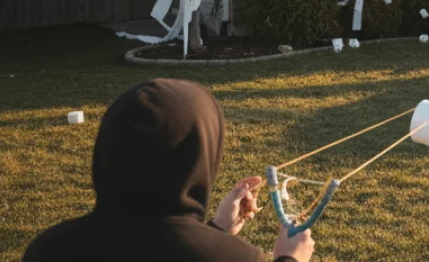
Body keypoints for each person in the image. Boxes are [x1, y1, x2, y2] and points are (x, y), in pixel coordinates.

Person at [23, 78, 315, 262]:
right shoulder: (234, 256)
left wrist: (215, 230)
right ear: (200, 152)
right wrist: (291, 259)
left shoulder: (50, 249)